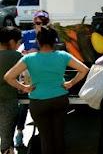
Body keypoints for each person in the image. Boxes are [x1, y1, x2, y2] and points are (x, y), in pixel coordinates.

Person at [3, 26, 89, 154]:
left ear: (38, 41)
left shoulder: (29, 58)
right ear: (55, 41)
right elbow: (84, 69)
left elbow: (8, 77)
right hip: (60, 99)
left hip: (38, 102)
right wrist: (71, 83)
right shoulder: (63, 55)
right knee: (59, 136)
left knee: (46, 138)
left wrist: (24, 87)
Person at [14, 10, 51, 147]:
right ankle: (19, 132)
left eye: (43, 23)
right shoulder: (26, 34)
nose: (40, 25)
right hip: (28, 73)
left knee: (43, 104)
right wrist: (24, 53)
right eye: (37, 22)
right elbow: (15, 48)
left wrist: (37, 53)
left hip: (45, 74)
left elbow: (58, 50)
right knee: (24, 104)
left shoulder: (51, 34)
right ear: (34, 22)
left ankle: (44, 136)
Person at [0, 27, 23, 154]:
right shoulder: (15, 56)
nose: (19, 45)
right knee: (6, 139)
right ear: (12, 41)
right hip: (7, 101)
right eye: (19, 42)